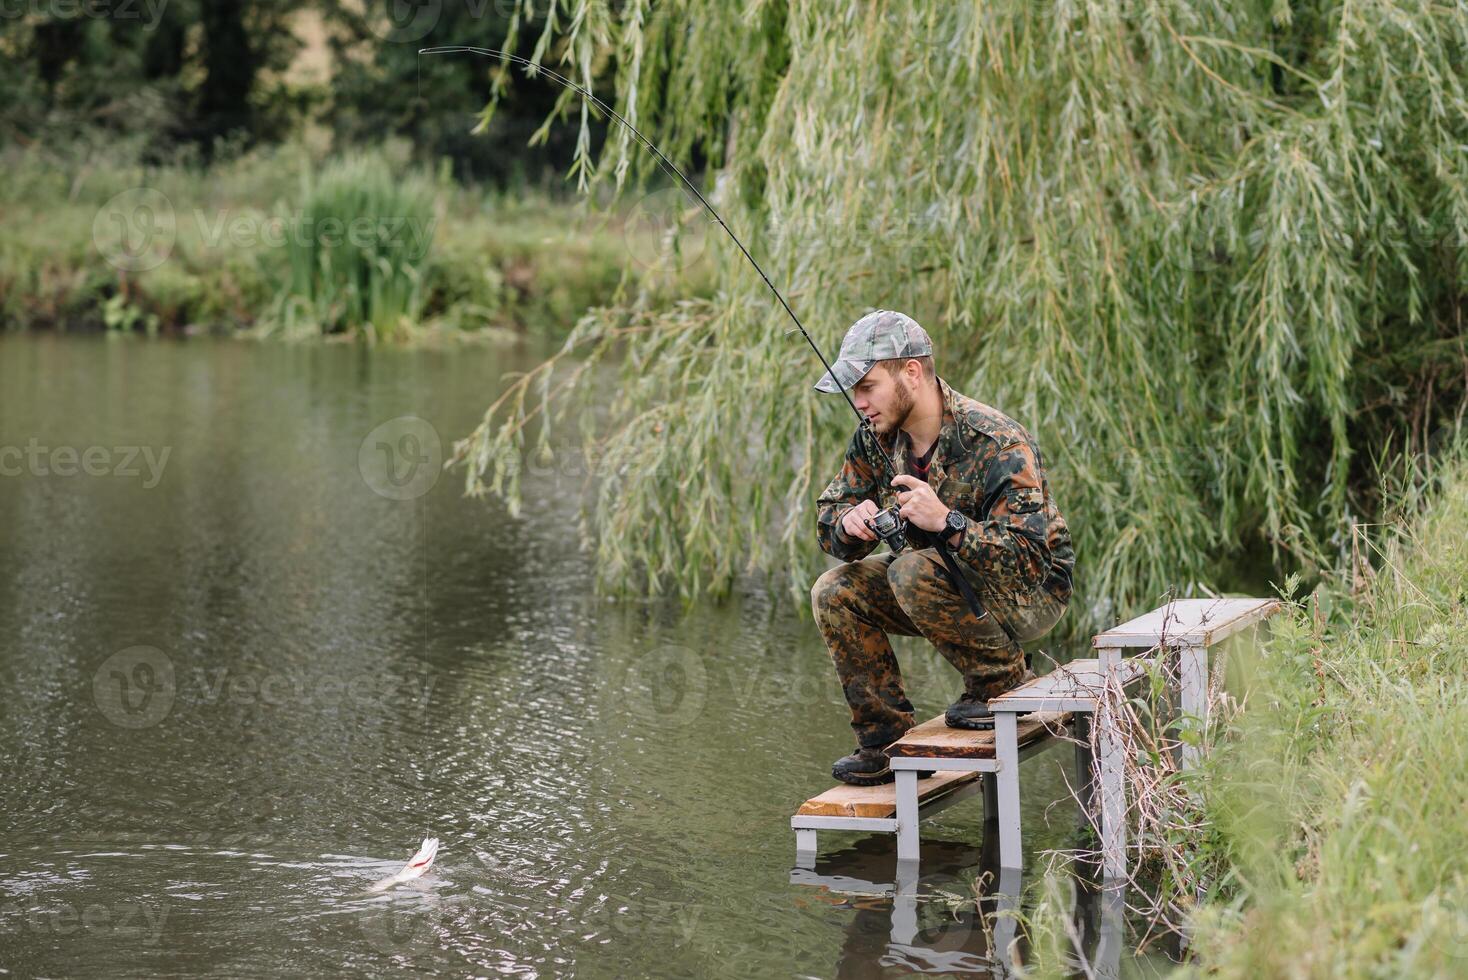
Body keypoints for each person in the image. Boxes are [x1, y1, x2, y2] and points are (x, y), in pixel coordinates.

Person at [810, 310, 1075, 786]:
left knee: (909, 569)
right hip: (936, 580)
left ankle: (1003, 682)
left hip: (1032, 595)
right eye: (855, 390)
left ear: (911, 371)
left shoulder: (995, 440)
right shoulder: (874, 437)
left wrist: (948, 523)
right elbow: (829, 517)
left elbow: (1029, 562)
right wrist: (847, 524)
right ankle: (883, 739)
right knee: (834, 590)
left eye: (868, 386)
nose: (860, 401)